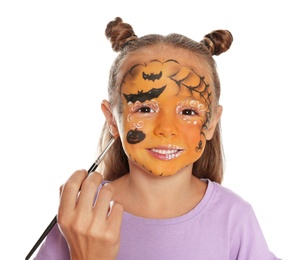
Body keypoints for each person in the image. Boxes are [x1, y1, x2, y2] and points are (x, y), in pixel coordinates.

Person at [34, 17, 280, 259]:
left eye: (188, 111)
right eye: (145, 108)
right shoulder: (81, 214)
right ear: (112, 119)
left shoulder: (234, 218)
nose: (166, 129)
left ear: (212, 122)